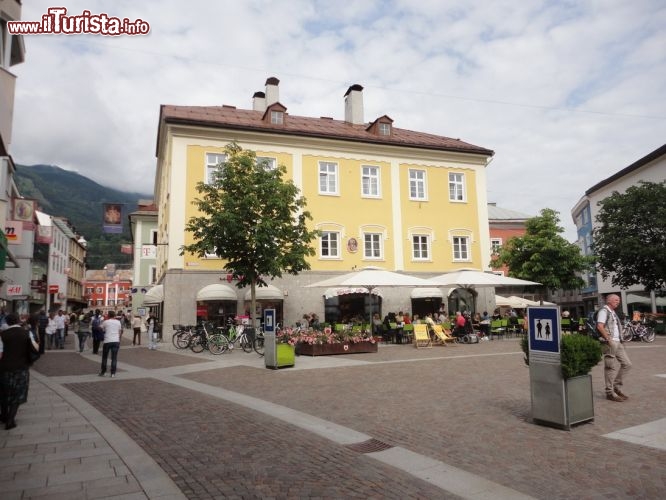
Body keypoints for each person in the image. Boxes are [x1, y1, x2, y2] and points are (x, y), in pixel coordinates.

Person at [0, 313, 36, 429]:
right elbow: (34, 349)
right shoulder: (26, 333)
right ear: (17, 321)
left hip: (4, 368)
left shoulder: (2, 335)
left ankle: (4, 415)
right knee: (18, 393)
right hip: (21, 368)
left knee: (4, 392)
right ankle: (11, 420)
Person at [597, 294, 632, 402]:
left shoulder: (612, 312)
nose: (618, 302)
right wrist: (608, 339)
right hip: (610, 342)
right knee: (610, 367)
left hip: (618, 342)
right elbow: (600, 326)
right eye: (616, 300)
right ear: (609, 301)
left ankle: (616, 387)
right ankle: (609, 392)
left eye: (619, 300)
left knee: (627, 364)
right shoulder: (604, 311)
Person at [99, 310, 122, 378]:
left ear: (108, 315)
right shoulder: (118, 322)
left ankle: (103, 372)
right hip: (116, 341)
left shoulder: (106, 322)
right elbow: (120, 331)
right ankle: (113, 373)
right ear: (114, 315)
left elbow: (100, 328)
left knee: (105, 357)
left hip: (107, 340)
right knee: (114, 358)